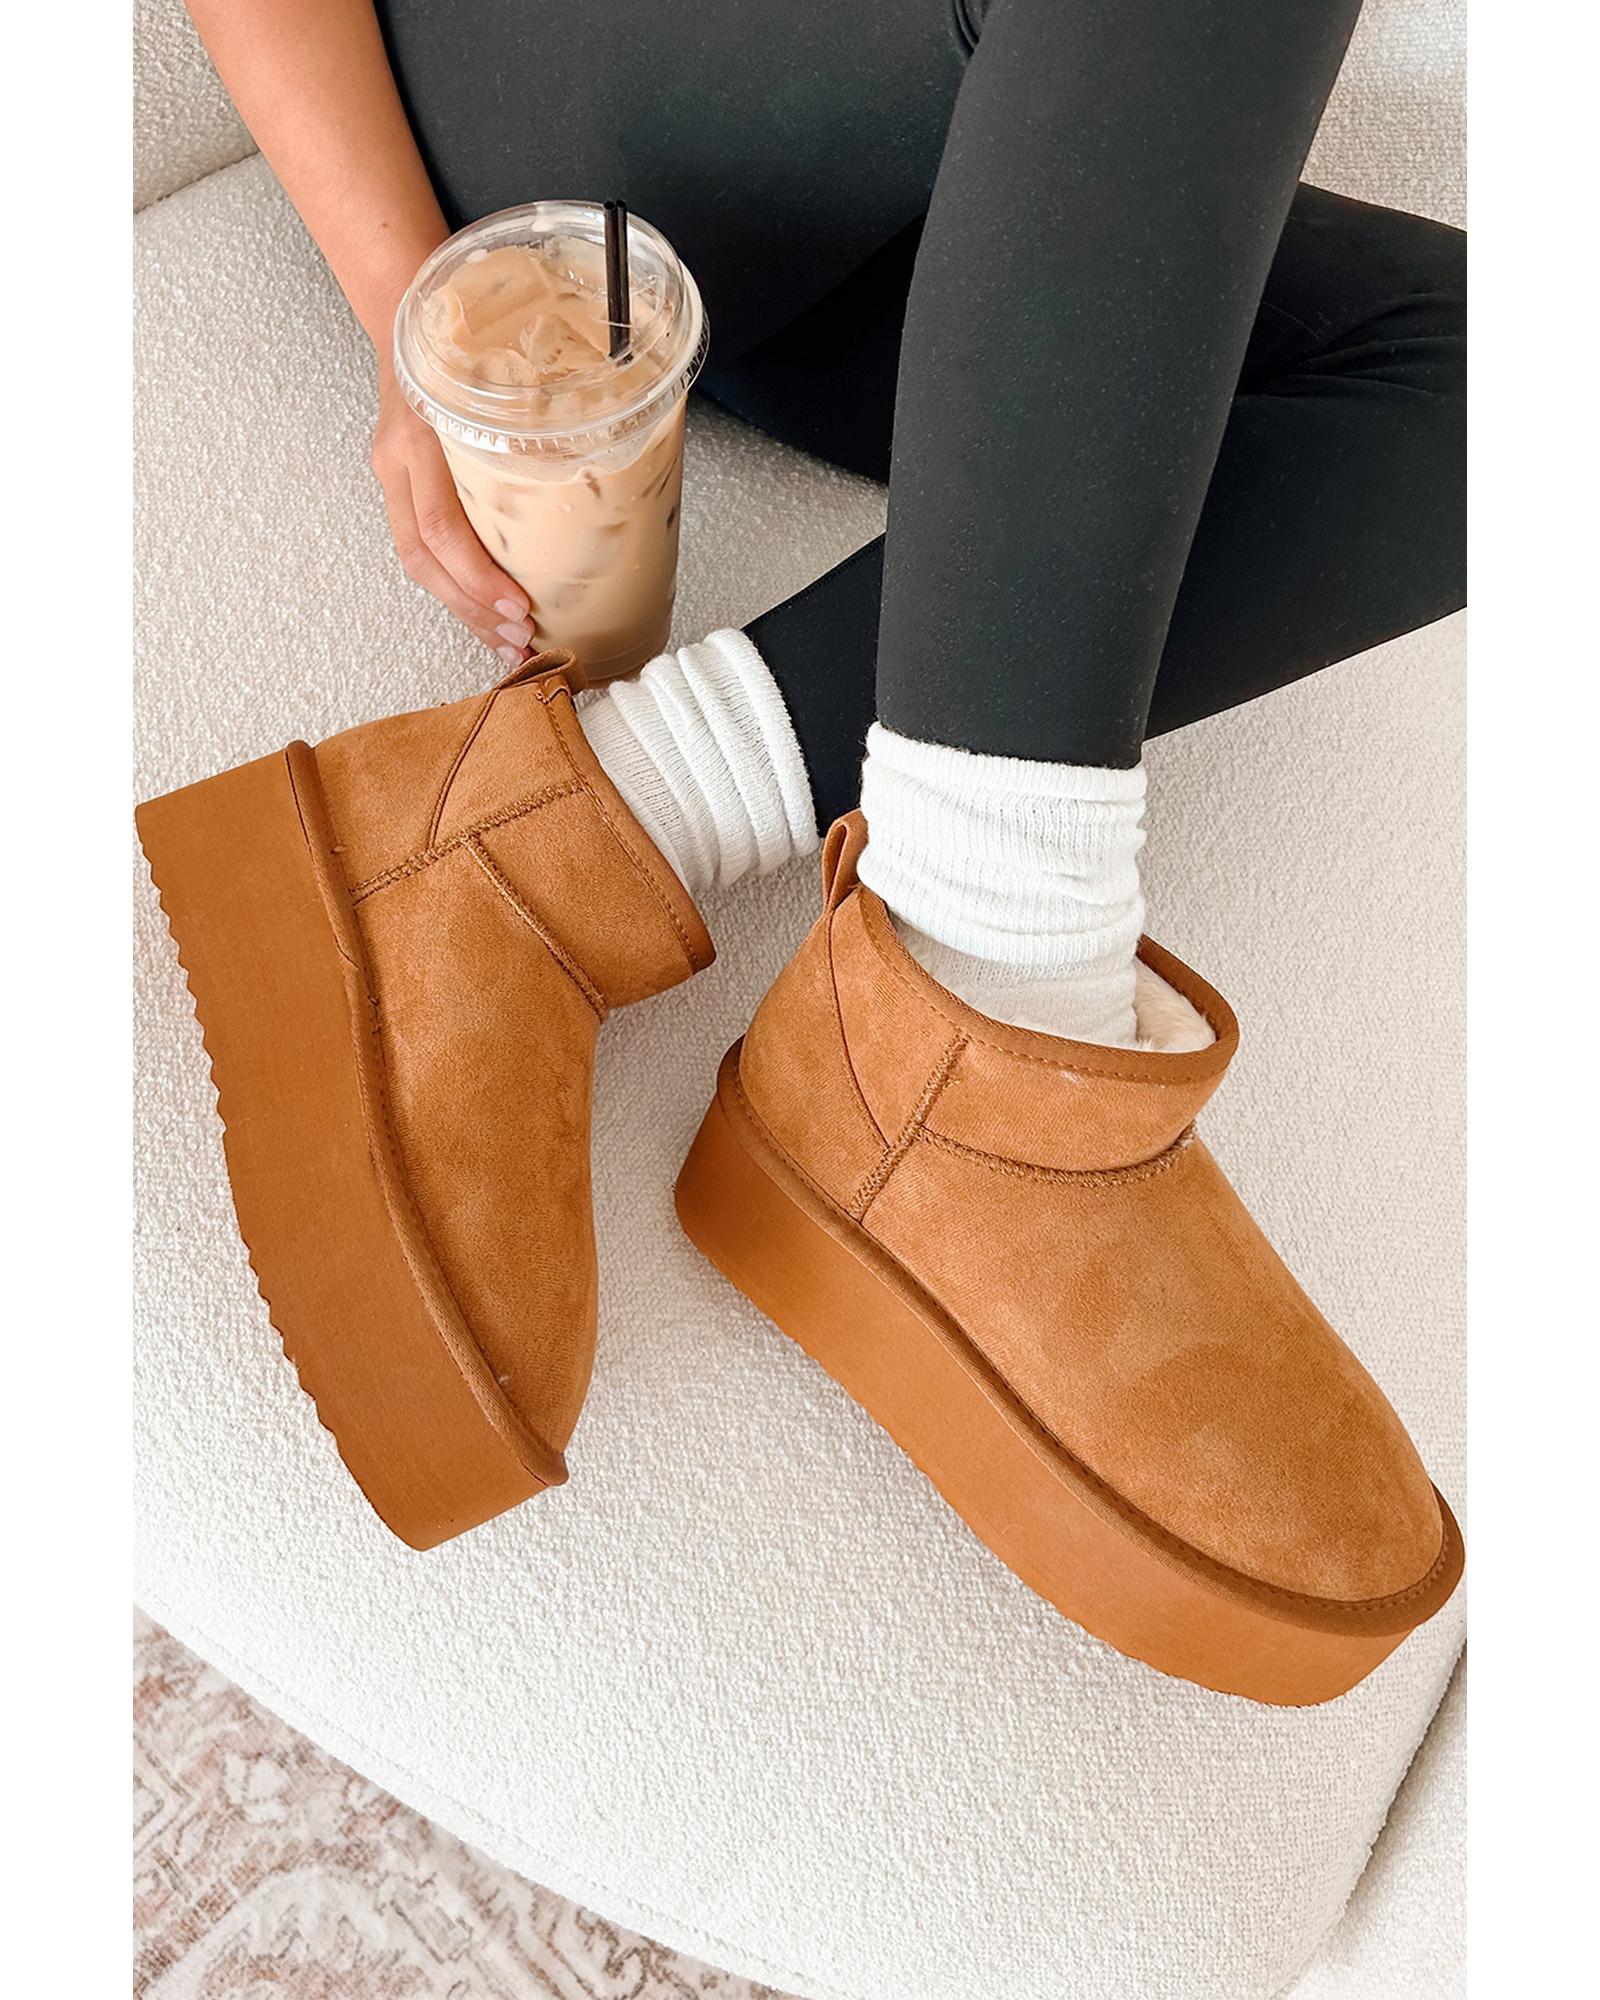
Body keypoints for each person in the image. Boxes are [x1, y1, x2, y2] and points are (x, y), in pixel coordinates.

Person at [148, 0, 1465, 1697]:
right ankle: (991, 984)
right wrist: (425, 324)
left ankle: (582, 821)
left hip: (931, 125)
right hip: (585, 137)